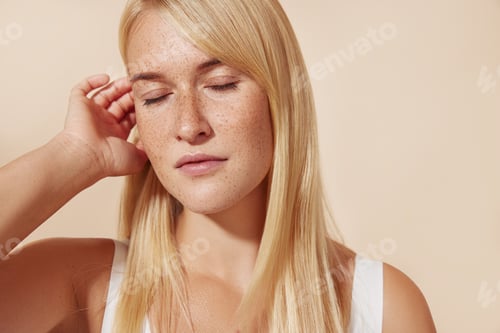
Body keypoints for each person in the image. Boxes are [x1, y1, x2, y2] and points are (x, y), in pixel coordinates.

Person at [0, 0, 436, 332]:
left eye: (221, 84)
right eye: (155, 97)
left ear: (280, 97)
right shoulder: (80, 283)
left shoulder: (382, 306)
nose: (189, 126)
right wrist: (72, 156)